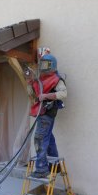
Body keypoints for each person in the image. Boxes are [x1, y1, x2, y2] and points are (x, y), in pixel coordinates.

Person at [26, 47, 67, 178]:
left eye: (46, 64)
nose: (43, 67)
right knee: (48, 139)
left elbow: (63, 93)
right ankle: (55, 166)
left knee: (40, 138)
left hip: (47, 112)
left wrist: (47, 96)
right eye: (42, 64)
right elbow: (33, 94)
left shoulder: (56, 79)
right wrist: (29, 83)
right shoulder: (40, 80)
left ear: (52, 65)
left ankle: (41, 169)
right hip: (41, 112)